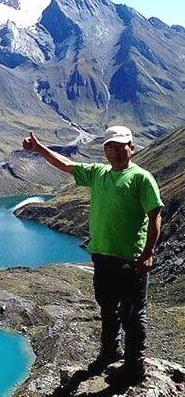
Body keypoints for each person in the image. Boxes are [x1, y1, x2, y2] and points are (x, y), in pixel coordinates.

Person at [22, 125, 163, 386]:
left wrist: (148, 253)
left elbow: (155, 215)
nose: (117, 152)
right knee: (108, 309)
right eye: (111, 147)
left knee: (133, 313)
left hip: (131, 260)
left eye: (122, 147)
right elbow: (66, 165)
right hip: (102, 256)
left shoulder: (142, 178)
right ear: (105, 150)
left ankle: (135, 365)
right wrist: (39, 148)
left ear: (131, 148)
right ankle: (110, 352)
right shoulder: (98, 173)